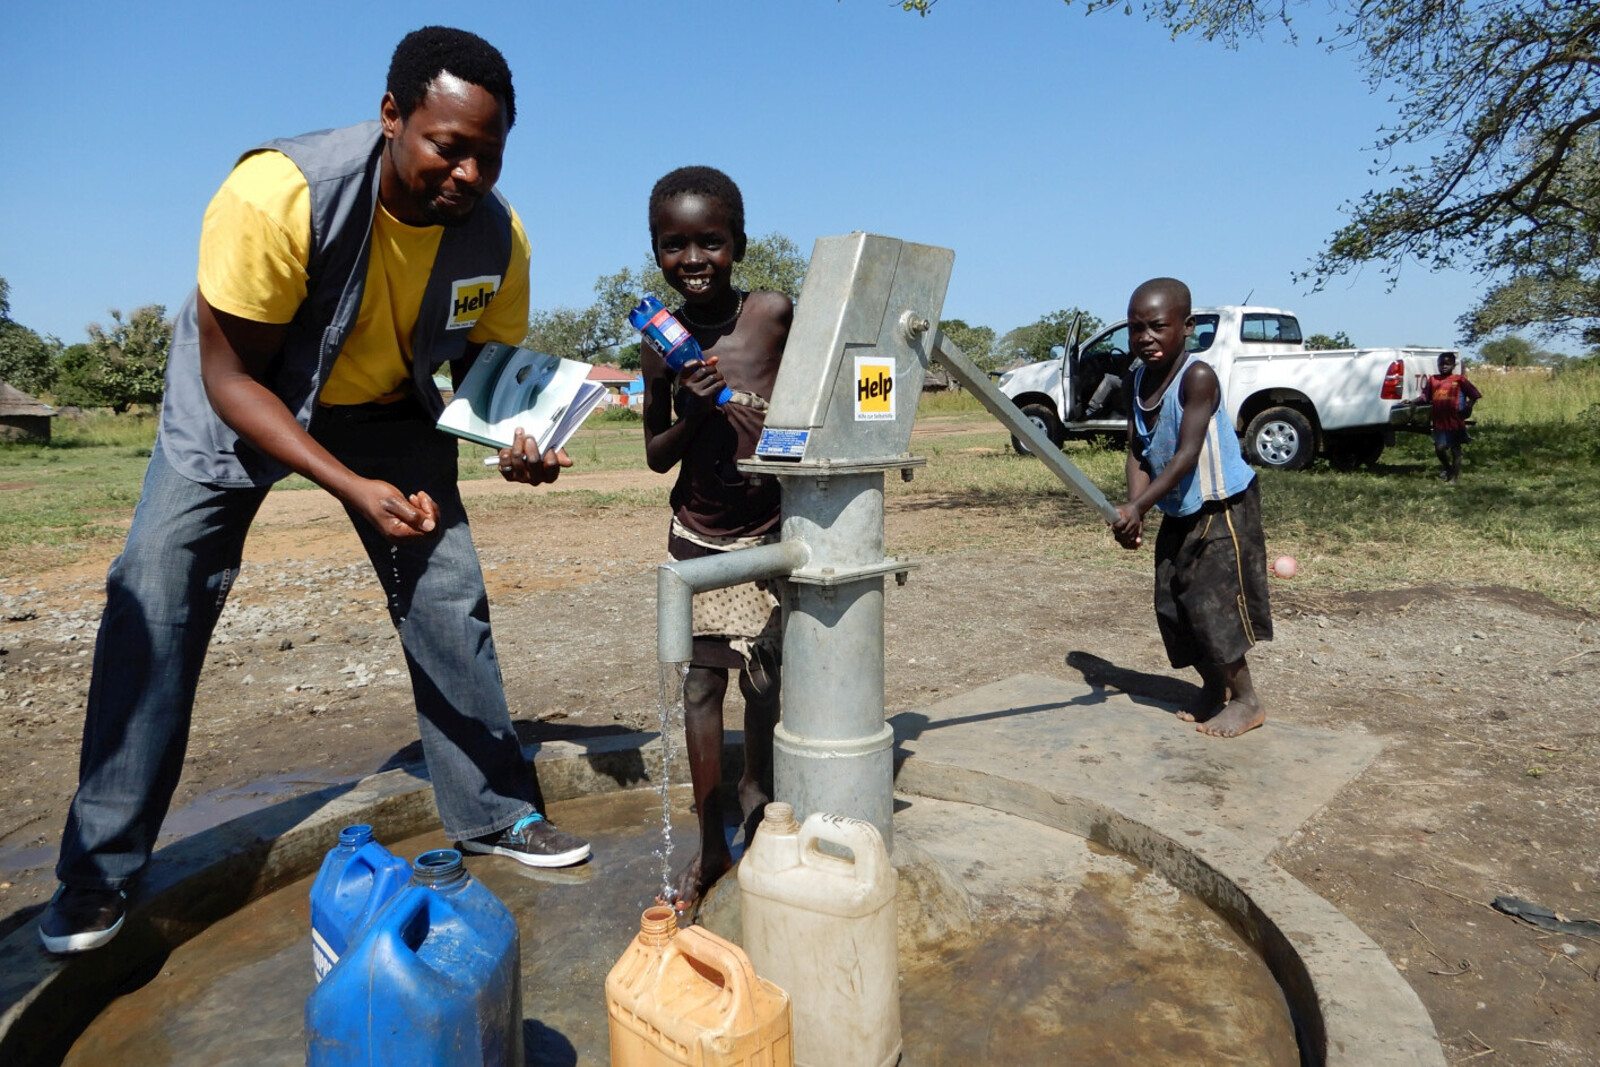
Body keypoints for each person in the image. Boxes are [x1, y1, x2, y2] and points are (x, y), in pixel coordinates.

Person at [40, 27, 591, 956]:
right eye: (445, 146)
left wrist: (519, 443)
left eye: (486, 155)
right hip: (243, 394)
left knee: (447, 590)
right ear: (391, 117)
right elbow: (230, 378)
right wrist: (348, 484)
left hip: (388, 406)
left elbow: (484, 372)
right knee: (158, 593)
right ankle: (98, 870)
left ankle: (495, 810)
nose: (465, 173)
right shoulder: (278, 196)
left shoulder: (500, 234)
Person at [640, 166, 792, 913]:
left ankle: (757, 802)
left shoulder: (771, 315)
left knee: (764, 683)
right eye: (675, 245)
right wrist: (695, 411)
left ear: (738, 243)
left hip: (767, 531)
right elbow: (655, 454)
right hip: (696, 536)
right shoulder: (659, 341)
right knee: (702, 685)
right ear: (656, 251)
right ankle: (708, 846)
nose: (693, 258)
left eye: (710, 242)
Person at [1110, 278, 1272, 739]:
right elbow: (1138, 450)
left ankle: (1246, 700)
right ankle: (1211, 688)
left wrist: (1139, 505)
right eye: (1135, 328)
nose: (1145, 338)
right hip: (1178, 507)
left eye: (1158, 326)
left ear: (1187, 327)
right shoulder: (1136, 379)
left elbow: (1186, 454)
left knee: (1212, 607)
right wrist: (1133, 508)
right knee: (1174, 603)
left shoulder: (1197, 377)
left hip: (1220, 508)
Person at [1422, 352, 1481, 484]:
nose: (1444, 366)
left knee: (1456, 449)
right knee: (1439, 448)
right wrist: (1412, 402)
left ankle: (1454, 478)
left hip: (1455, 421)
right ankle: (1447, 468)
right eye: (1441, 364)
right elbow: (1425, 396)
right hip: (1440, 421)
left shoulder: (1460, 380)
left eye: (1447, 364)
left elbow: (1475, 395)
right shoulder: (1433, 379)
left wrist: (1469, 407)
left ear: (1453, 365)